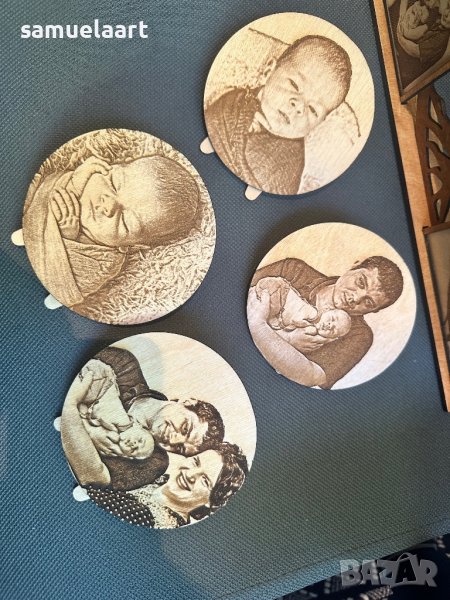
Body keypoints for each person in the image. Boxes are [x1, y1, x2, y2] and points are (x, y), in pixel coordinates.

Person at [62, 375, 248, 529]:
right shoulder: (155, 477)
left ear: (211, 502)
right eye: (195, 462)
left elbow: (91, 484)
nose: (191, 475)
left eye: (205, 481)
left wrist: (71, 409)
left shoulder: (148, 516)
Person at [23, 153, 200, 307]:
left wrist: (65, 237)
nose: (108, 205)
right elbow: (44, 186)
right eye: (114, 183)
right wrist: (74, 183)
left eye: (125, 221)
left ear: (132, 245)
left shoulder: (104, 263)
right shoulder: (79, 180)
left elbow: (67, 284)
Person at [205, 35, 352, 194]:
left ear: (320, 123)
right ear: (268, 71)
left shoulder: (288, 165)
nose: (298, 106)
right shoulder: (234, 102)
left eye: (313, 110)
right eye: (294, 85)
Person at [248, 256, 404, 389]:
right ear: (354, 265)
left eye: (368, 302)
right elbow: (239, 296)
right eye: (361, 282)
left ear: (373, 311)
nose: (355, 298)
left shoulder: (359, 336)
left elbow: (309, 377)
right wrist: (273, 335)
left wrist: (258, 325)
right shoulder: (294, 270)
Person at [254, 275, 352, 344]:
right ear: (327, 310)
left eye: (333, 330)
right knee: (270, 309)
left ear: (333, 338)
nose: (330, 325)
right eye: (332, 319)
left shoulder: (312, 336)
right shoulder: (313, 314)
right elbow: (295, 320)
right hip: (280, 291)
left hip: (279, 305)